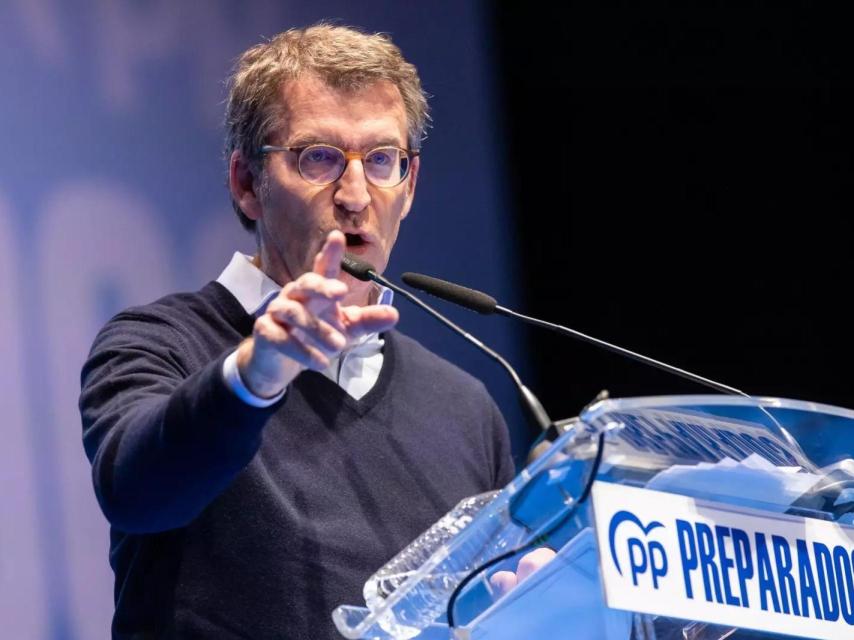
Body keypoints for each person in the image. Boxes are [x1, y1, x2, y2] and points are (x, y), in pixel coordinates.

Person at [80, 23, 516, 639]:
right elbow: (138, 493)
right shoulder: (158, 342)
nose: (356, 194)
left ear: (410, 184)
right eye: (319, 158)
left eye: (382, 159)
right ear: (246, 184)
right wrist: (257, 375)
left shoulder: (466, 408)